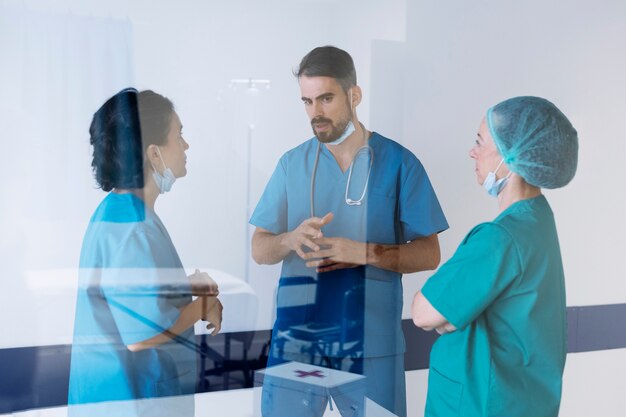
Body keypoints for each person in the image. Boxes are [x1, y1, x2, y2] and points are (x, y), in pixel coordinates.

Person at [250, 46, 448, 417]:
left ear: (354, 95)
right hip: (298, 345)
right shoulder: (292, 164)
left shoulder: (399, 163)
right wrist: (290, 239)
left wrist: (361, 252)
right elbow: (259, 248)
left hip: (370, 345)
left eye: (326, 98)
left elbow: (429, 253)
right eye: (307, 101)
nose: (315, 113)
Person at [412, 96, 578, 417]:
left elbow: (423, 312)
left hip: (479, 406)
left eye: (480, 142)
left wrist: (448, 317)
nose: (472, 152)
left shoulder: (498, 238)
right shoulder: (538, 220)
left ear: (511, 155)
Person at [68, 88, 223, 416]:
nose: (186, 145)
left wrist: (185, 285)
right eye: (179, 135)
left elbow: (130, 297)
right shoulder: (133, 229)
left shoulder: (122, 211)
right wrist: (203, 308)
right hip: (129, 401)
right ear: (155, 154)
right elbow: (142, 334)